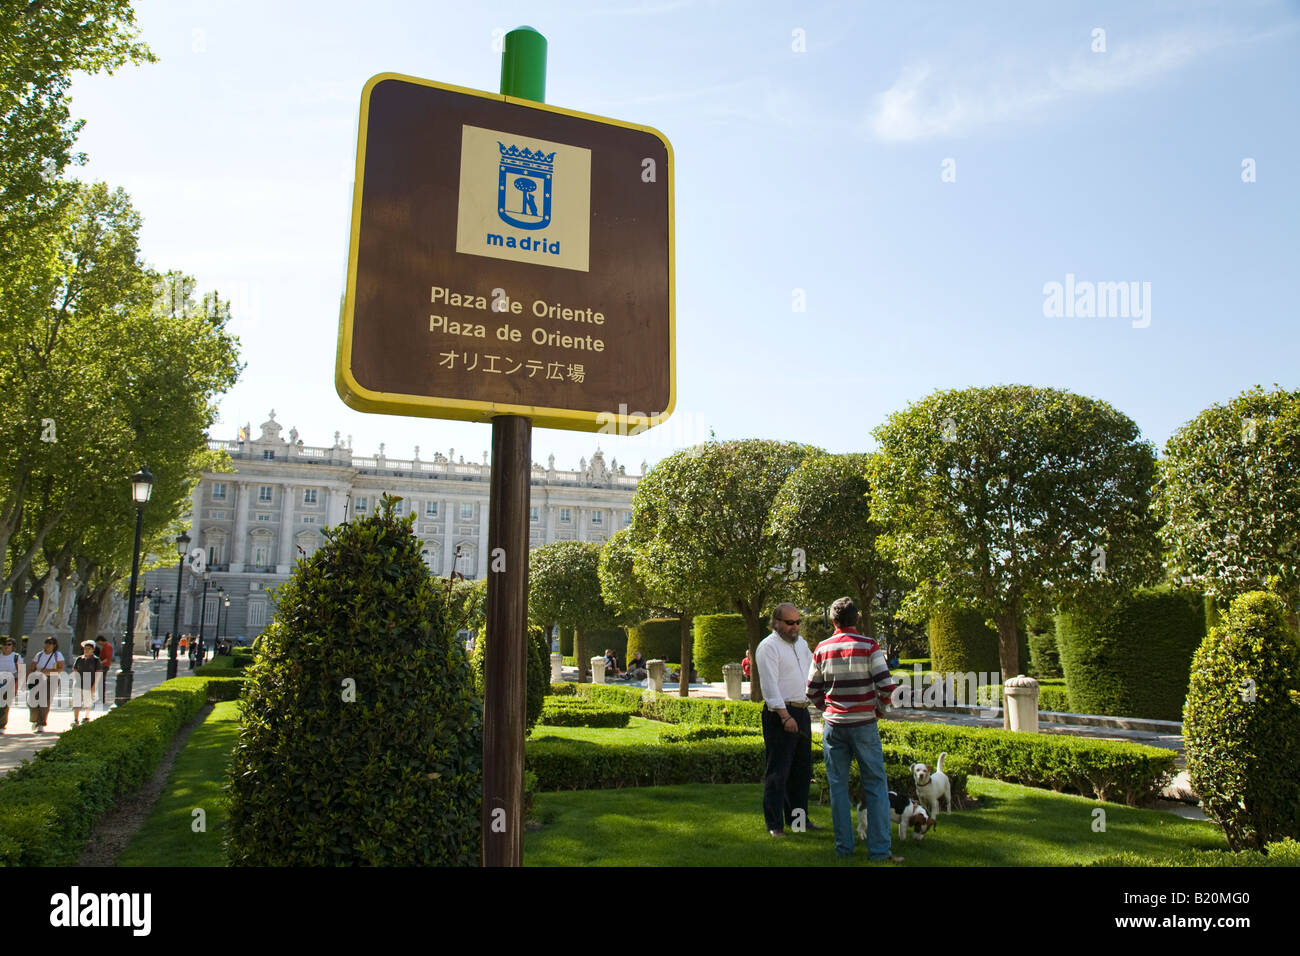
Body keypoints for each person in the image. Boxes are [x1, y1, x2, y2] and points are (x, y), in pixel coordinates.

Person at [806, 596, 901, 861]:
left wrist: (827, 709)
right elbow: (887, 687)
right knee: (875, 786)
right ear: (856, 619)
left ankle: (843, 849)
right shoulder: (870, 646)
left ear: (833, 621)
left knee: (837, 787)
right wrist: (878, 711)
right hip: (864, 726)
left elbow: (811, 690)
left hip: (834, 726)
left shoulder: (822, 648)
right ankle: (880, 851)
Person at [755, 602, 815, 837]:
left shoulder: (801, 644)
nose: (795, 627)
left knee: (801, 771)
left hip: (801, 711)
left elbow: (813, 670)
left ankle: (798, 821)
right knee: (778, 772)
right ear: (777, 622)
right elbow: (769, 686)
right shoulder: (768, 647)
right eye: (790, 623)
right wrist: (785, 716)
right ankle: (774, 825)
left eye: (798, 622)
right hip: (780, 715)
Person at [28, 637, 65, 733]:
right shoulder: (39, 655)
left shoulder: (57, 655)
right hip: (38, 678)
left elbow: (61, 668)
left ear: (54, 645)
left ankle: (41, 723)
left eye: (51, 643)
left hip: (51, 679)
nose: (48, 644)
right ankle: (35, 719)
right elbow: (32, 667)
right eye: (47, 642)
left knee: (45, 701)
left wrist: (48, 671)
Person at [72, 640, 102, 726]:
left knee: (87, 702)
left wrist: (94, 686)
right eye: (85, 649)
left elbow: (98, 673)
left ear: (93, 650)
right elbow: (75, 669)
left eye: (89, 649)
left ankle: (86, 717)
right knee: (77, 702)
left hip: (90, 684)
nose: (86, 650)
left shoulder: (96, 660)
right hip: (78, 684)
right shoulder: (79, 659)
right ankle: (76, 719)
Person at [0, 638, 23, 732]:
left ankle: (1, 725)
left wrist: (16, 686)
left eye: (9, 644)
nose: (6, 646)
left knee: (5, 704)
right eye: (4, 644)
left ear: (12, 646)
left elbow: (21, 672)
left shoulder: (16, 657)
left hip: (10, 681)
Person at [95, 635, 113, 707]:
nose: (99, 644)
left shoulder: (108, 647)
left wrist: (99, 663)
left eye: (99, 643)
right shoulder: (105, 646)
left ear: (100, 640)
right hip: (103, 666)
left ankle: (101, 699)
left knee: (101, 683)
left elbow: (107, 658)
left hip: (104, 666)